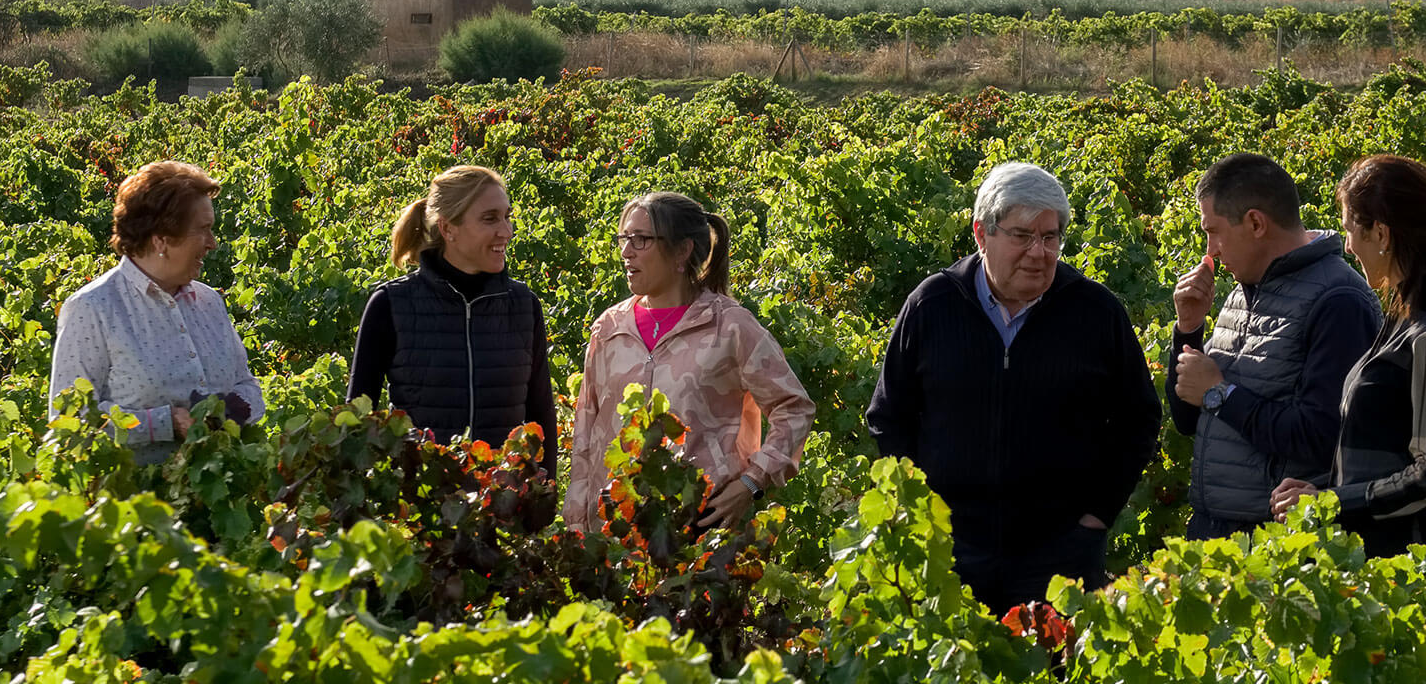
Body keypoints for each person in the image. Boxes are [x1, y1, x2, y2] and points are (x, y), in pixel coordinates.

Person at [866, 162, 1160, 612]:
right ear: (983, 234)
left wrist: (1095, 517)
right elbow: (889, 416)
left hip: (1061, 553)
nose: (1039, 252)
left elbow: (1138, 419)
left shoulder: (1096, 313)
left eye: (1050, 237)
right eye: (1023, 236)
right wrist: (922, 511)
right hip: (949, 550)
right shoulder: (932, 306)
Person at [1270, 155, 1426, 558]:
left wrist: (1332, 504)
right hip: (1373, 560)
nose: (1347, 245)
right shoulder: (1403, 316)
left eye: (1352, 229)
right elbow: (1380, 455)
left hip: (1407, 568)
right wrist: (1320, 491)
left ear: (1382, 233)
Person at [563, 192, 815, 531]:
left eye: (641, 240)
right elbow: (585, 435)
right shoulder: (609, 329)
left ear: (682, 250)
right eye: (624, 238)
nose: (626, 252)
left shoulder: (730, 327)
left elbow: (794, 407)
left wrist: (753, 481)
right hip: (615, 534)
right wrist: (578, 528)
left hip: (699, 530)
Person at [1167, 152, 1380, 539]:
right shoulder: (1243, 292)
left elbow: (1321, 437)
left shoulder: (1339, 302)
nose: (1211, 249)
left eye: (1213, 231)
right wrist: (1189, 327)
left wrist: (1219, 393)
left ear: (1255, 223)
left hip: (1276, 545)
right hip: (1217, 532)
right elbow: (1187, 419)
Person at [347, 166, 557, 484]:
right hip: (421, 512)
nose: (506, 231)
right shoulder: (392, 305)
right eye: (490, 218)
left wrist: (543, 497)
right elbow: (357, 419)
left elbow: (541, 415)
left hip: (503, 513)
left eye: (507, 217)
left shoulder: (523, 305)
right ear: (448, 229)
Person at [50, 160, 264, 464]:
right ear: (161, 239)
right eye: (203, 230)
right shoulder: (93, 308)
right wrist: (162, 424)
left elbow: (247, 384)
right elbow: (67, 423)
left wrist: (229, 414)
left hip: (219, 495)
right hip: (135, 504)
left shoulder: (209, 302)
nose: (212, 244)